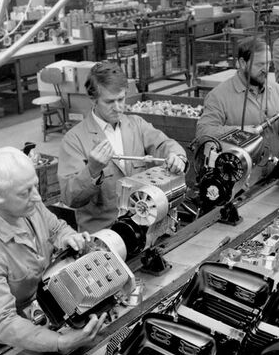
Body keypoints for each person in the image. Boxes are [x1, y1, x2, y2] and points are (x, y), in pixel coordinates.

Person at [0, 147, 106, 355]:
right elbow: (3, 322)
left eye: (34, 186)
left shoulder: (26, 205)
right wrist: (60, 342)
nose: (36, 197)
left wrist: (68, 237)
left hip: (36, 314)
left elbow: (56, 228)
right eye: (25, 192)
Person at [58, 61, 187, 233]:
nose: (118, 108)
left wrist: (177, 156)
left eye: (121, 99)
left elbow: (164, 144)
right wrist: (92, 170)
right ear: (93, 99)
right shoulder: (74, 140)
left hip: (142, 226)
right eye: (110, 102)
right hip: (104, 234)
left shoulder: (136, 125)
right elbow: (70, 197)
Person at [195, 37, 279, 159]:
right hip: (241, 172)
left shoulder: (277, 90)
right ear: (243, 63)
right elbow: (203, 132)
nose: (265, 70)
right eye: (260, 64)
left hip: (272, 170)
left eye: (268, 63)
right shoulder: (219, 96)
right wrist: (240, 132)